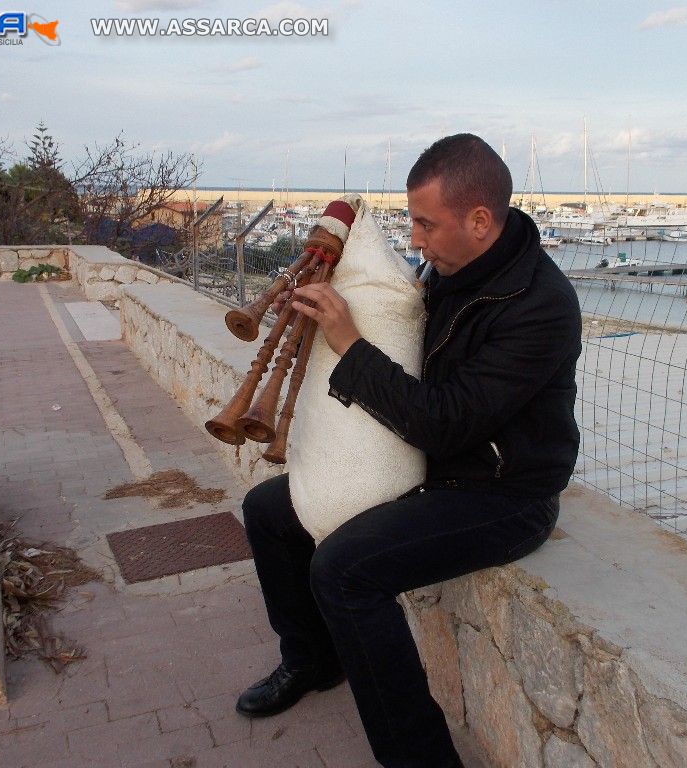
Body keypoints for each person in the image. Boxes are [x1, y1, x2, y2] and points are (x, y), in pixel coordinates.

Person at [236, 133, 582, 768]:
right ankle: (310, 662)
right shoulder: (451, 268)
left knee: (344, 571)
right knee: (266, 511)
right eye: (411, 223)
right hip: (429, 468)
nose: (416, 240)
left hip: (502, 493)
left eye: (426, 224)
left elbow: (446, 423)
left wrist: (348, 340)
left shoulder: (541, 307)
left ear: (480, 221)